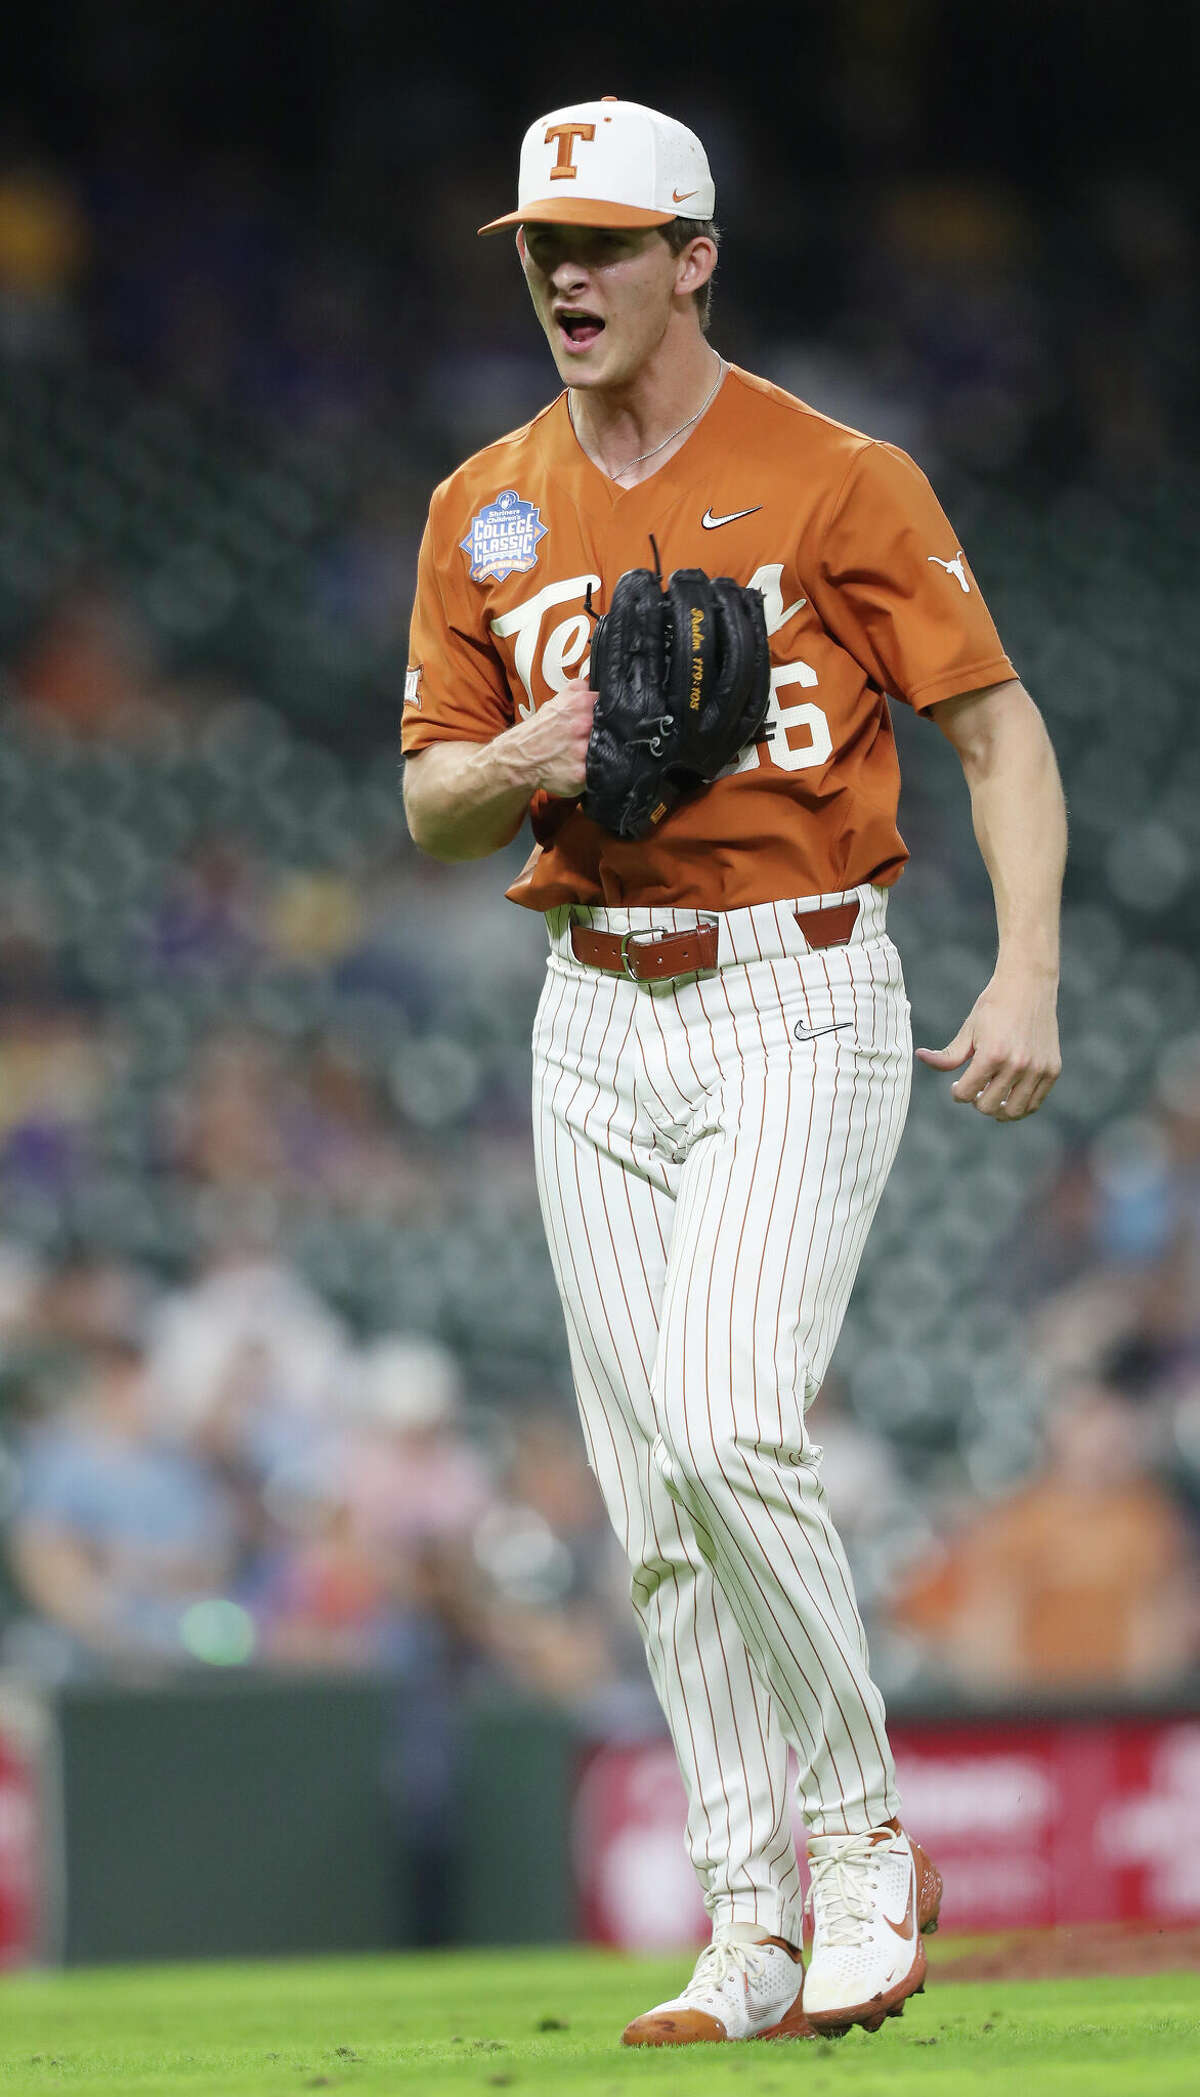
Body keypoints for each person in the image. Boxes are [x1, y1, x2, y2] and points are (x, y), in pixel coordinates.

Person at [402, 97, 1065, 2046]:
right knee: (652, 1496)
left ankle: (871, 1847)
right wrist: (535, 756)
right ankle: (751, 1922)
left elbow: (999, 731)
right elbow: (433, 797)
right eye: (542, 243)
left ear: (696, 255)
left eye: (606, 241)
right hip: (585, 1005)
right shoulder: (482, 504)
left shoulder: (836, 475)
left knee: (724, 1419)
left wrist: (1025, 965)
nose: (568, 275)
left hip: (793, 985)